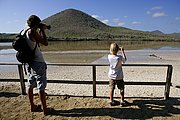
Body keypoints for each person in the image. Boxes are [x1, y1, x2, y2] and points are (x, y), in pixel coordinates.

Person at [25, 15, 52, 115]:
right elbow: (45, 43)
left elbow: (36, 43)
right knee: (41, 87)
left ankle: (32, 106)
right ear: (36, 24)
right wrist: (43, 30)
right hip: (38, 62)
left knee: (30, 84)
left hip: (29, 62)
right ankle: (45, 109)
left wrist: (40, 29)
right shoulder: (32, 31)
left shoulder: (24, 31)